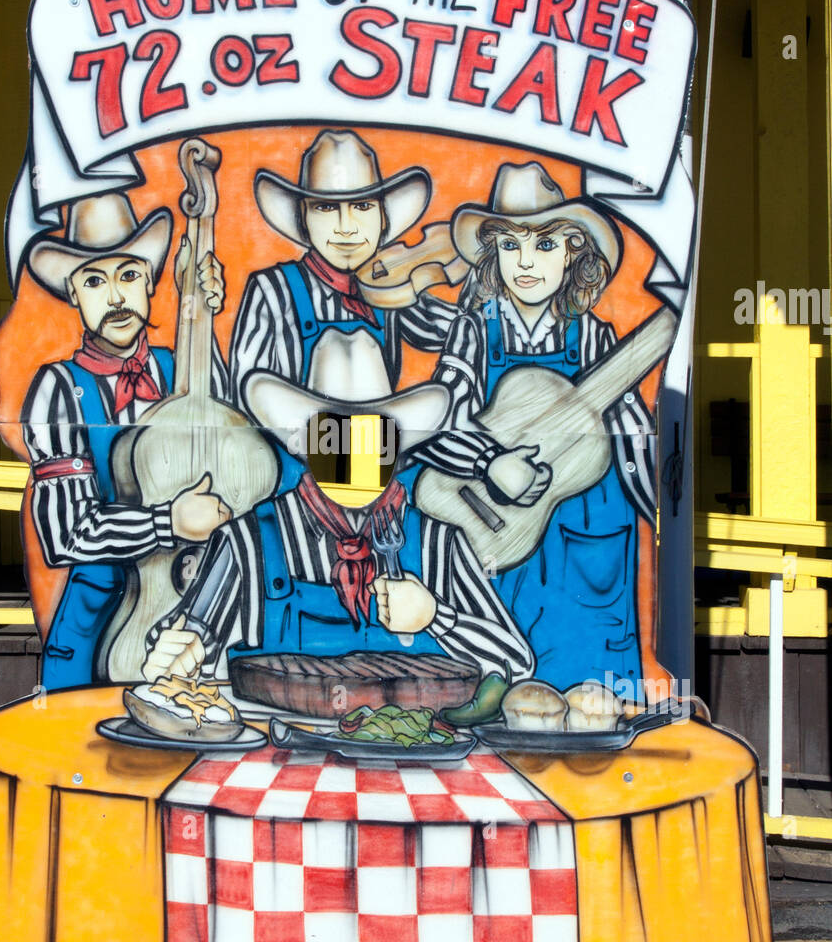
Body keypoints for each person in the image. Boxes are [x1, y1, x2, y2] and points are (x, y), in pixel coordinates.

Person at [143, 337, 533, 687]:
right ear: (304, 443)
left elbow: (517, 662)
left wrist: (437, 617)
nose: (353, 457)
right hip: (283, 755)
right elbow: (185, 635)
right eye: (333, 437)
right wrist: (173, 653)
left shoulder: (441, 545)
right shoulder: (247, 541)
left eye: (372, 438)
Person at [411, 161, 658, 692]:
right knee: (499, 686)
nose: (526, 263)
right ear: (493, 253)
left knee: (586, 695)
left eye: (545, 246)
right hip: (496, 538)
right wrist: (488, 462)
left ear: (574, 252)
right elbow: (439, 419)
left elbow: (634, 429)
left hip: (582, 541)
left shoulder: (596, 336)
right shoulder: (474, 331)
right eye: (510, 245)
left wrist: (661, 506)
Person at [21, 191, 232, 691]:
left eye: (129, 275)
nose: (115, 298)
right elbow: (65, 534)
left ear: (151, 280)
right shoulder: (59, 389)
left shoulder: (180, 365)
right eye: (94, 281)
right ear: (72, 294)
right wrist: (168, 522)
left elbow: (233, 460)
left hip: (188, 627)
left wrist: (203, 321)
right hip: (97, 633)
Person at [228, 129, 457, 421]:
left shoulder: (389, 288)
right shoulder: (272, 289)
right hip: (296, 458)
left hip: (377, 457)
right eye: (325, 207)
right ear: (304, 218)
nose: (346, 227)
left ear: (382, 217)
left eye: (363, 206)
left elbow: (452, 332)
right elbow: (244, 402)